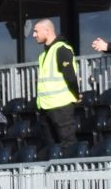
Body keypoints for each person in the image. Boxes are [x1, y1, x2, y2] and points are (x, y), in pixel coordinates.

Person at [32, 18, 81, 148]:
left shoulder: (61, 49)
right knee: (51, 147)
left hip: (61, 106)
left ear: (47, 31)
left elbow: (70, 77)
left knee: (68, 144)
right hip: (46, 107)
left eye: (36, 31)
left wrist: (76, 95)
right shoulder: (43, 55)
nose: (34, 35)